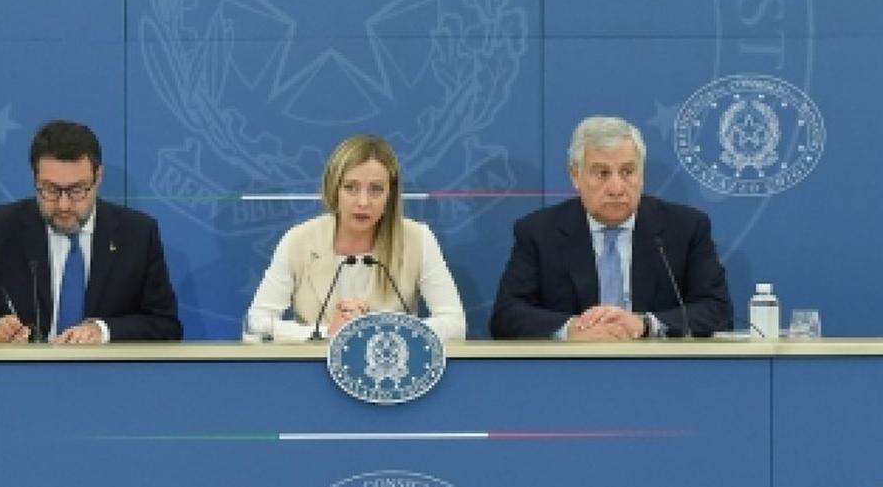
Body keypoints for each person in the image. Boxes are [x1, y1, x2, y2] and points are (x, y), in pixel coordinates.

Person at [491, 116, 731, 340]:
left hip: (658, 366)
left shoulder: (686, 228)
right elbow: (506, 315)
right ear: (575, 176)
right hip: (571, 367)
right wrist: (572, 329)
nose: (616, 188)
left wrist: (646, 324)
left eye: (627, 172)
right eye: (602, 173)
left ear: (642, 175)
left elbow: (718, 311)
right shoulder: (539, 232)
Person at [0, 120, 182, 343]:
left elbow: (166, 324)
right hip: (25, 366)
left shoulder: (137, 234)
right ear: (35, 178)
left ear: (98, 177)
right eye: (50, 189)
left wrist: (103, 331)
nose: (63, 205)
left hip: (106, 366)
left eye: (77, 190)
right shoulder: (0, 228)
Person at [245, 135, 466, 341]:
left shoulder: (417, 239)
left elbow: (455, 325)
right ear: (334, 190)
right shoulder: (299, 241)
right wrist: (325, 333)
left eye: (376, 189)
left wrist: (378, 329)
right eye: (351, 188)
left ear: (390, 195)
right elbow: (256, 324)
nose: (363, 202)